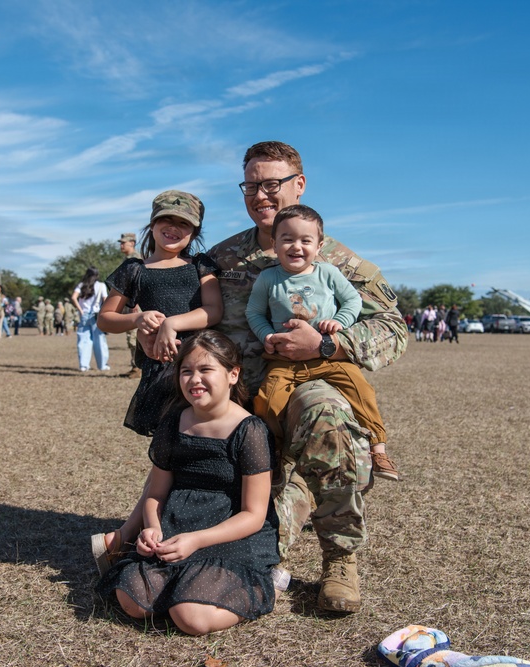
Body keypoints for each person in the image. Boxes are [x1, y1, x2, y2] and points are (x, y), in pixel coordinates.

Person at [207, 140, 406, 613]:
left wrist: (329, 344)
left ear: (300, 185)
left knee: (327, 413)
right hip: (241, 394)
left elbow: (393, 327)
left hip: (312, 380)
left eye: (272, 184)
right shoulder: (222, 258)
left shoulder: (339, 261)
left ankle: (340, 558)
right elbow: (195, 314)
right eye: (251, 185)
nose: (261, 195)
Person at [98, 329, 279, 636]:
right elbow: (155, 493)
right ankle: (186, 590)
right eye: (186, 371)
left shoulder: (250, 431)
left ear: (233, 374)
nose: (195, 380)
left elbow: (254, 514)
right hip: (176, 527)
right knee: (132, 601)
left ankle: (261, 582)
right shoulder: (173, 421)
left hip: (229, 537)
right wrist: (152, 527)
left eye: (206, 370)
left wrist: (197, 540)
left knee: (191, 619)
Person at [245, 204, 398, 482]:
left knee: (361, 390)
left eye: (306, 240)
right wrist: (266, 335)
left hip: (327, 357)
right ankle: (275, 456)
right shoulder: (268, 278)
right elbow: (253, 312)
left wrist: (338, 323)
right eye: (287, 239)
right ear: (274, 243)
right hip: (284, 360)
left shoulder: (328, 273)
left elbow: (352, 301)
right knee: (266, 402)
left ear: (319, 245)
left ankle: (378, 448)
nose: (296, 246)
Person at [97, 191, 222, 435]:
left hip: (202, 364)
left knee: (205, 436)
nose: (174, 228)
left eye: (184, 223)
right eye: (167, 220)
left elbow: (214, 310)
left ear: (194, 232)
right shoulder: (134, 269)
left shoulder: (200, 264)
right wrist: (137, 318)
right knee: (166, 442)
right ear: (152, 224)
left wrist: (172, 323)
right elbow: (105, 319)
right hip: (160, 370)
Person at [70, 267, 109, 372]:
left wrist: (80, 310)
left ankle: (84, 365)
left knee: (83, 340)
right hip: (97, 315)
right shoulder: (101, 285)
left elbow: (73, 297)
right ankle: (102, 365)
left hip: (84, 314)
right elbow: (105, 300)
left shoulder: (81, 285)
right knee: (100, 340)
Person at [117, 232, 144, 379]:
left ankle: (138, 367)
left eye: (124, 243)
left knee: (134, 337)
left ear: (132, 243)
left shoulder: (136, 259)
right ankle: (134, 366)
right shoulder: (128, 259)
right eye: (121, 243)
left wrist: (136, 301)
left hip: (135, 304)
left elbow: (139, 283)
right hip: (130, 303)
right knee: (130, 336)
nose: (121, 245)